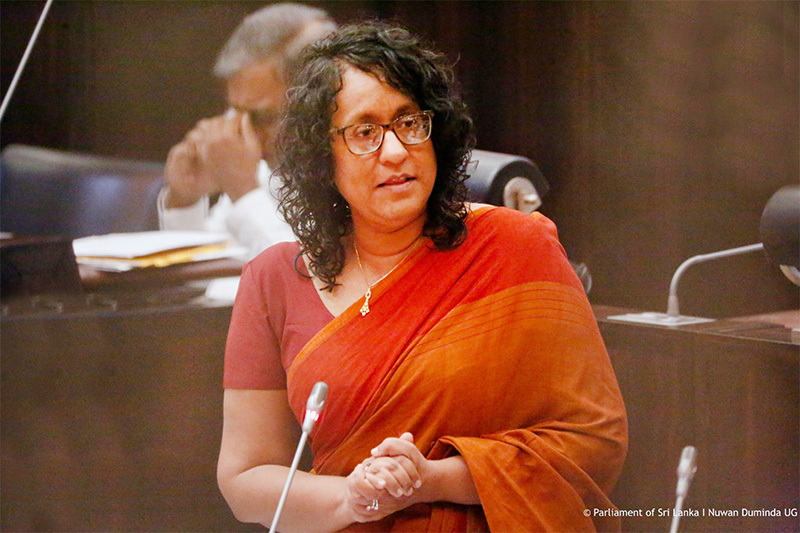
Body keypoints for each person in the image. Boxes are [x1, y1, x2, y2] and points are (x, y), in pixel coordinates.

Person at [217, 20, 628, 532]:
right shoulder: (273, 280)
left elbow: (593, 440)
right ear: (323, 159)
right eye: (364, 132)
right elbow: (246, 477)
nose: (395, 151)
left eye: (410, 123)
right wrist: (354, 499)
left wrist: (431, 479)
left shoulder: (514, 247)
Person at [158, 3, 337, 259]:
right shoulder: (263, 169)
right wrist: (186, 201)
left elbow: (305, 276)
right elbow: (211, 277)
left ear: (321, 101)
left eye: (262, 118)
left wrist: (243, 192)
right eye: (236, 113)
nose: (244, 134)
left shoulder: (360, 173)